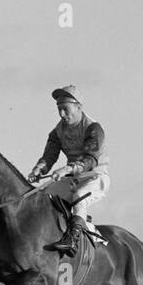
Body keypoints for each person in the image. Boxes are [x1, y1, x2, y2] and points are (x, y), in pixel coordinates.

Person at [26, 85, 109, 256]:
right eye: (59, 109)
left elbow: (90, 159)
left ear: (79, 107)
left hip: (95, 177)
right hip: (72, 178)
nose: (62, 114)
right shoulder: (57, 132)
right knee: (41, 196)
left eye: (65, 109)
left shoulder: (94, 129)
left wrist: (67, 168)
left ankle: (73, 239)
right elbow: (49, 156)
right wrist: (38, 169)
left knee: (79, 196)